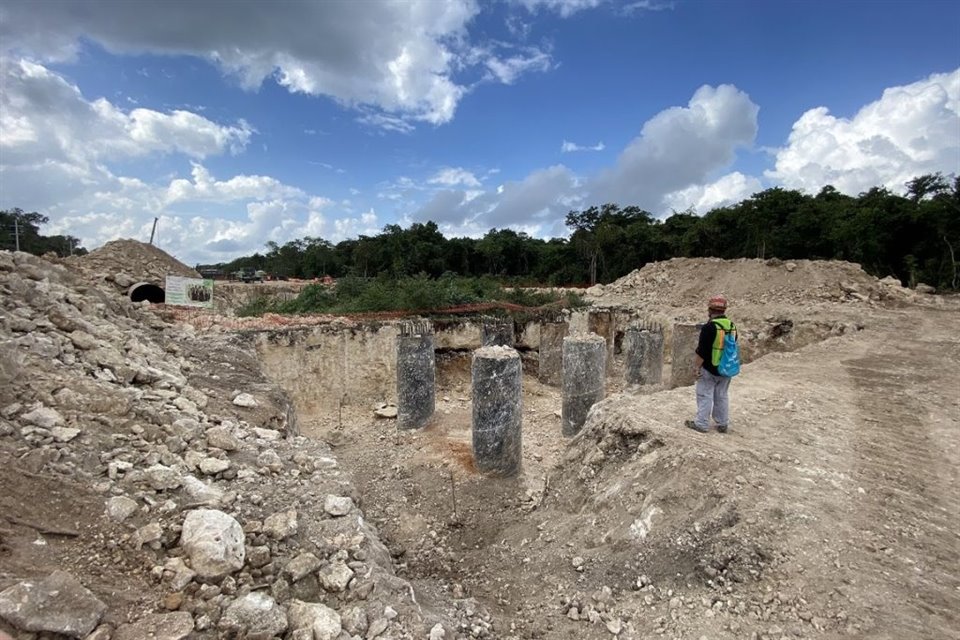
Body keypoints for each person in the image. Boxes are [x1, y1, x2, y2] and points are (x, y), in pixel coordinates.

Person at [685, 294, 736, 434]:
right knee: (722, 395)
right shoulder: (731, 326)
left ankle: (701, 423)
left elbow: (702, 351)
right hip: (726, 367)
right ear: (724, 310)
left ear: (710, 310)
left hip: (710, 368)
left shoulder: (709, 327)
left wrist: (696, 368)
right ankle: (722, 423)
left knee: (704, 394)